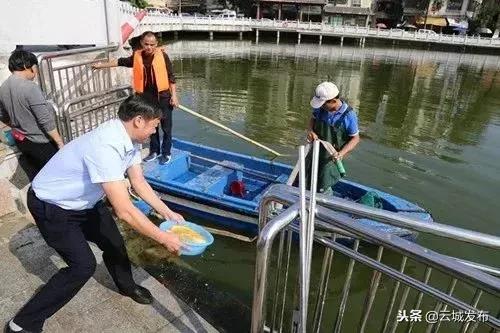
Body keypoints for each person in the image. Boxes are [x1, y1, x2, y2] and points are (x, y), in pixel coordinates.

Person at [5, 95, 184, 333]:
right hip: (52, 206)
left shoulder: (130, 140)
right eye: (153, 126)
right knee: (82, 266)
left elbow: (138, 182)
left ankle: (127, 286)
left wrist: (168, 212)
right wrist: (163, 238)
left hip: (85, 203)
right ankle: (22, 324)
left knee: (115, 243)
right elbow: (125, 211)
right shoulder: (105, 145)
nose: (154, 132)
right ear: (139, 121)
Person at [93, 31, 178, 165]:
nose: (149, 47)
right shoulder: (137, 56)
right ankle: (154, 151)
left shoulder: (163, 56)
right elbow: (121, 62)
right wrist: (100, 66)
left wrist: (174, 96)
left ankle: (166, 152)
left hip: (164, 97)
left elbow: (171, 77)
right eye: (146, 44)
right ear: (141, 44)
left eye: (152, 44)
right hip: (147, 99)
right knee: (151, 126)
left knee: (166, 127)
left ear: (156, 44)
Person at [0, 50, 64, 176]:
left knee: (38, 174)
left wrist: (17, 123)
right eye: (35, 66)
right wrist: (60, 142)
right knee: (56, 175)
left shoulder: (3, 87)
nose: (36, 71)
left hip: (22, 141)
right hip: (40, 142)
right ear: (26, 66)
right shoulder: (30, 87)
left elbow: (2, 115)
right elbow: (45, 119)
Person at [306, 82, 360, 194]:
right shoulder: (320, 109)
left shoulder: (349, 116)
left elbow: (355, 138)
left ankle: (323, 203)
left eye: (323, 104)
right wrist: (310, 131)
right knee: (307, 176)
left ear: (333, 101)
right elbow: (313, 119)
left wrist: (341, 154)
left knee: (324, 183)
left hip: (331, 157)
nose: (321, 106)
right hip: (315, 151)